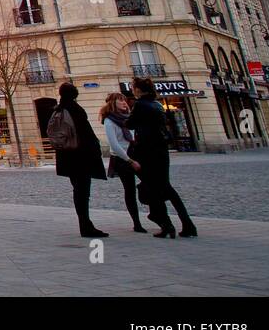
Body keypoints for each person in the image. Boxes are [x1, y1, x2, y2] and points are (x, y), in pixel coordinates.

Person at [129, 77, 197, 238]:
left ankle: (166, 223)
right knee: (166, 187)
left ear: (138, 89)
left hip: (147, 150)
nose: (132, 90)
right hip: (161, 150)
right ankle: (186, 223)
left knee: (154, 187)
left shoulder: (140, 104)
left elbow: (130, 124)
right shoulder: (157, 104)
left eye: (133, 87)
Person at [52, 82, 108, 238]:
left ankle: (85, 223)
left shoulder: (58, 109)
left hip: (66, 155)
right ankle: (85, 224)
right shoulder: (75, 110)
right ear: (75, 94)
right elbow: (86, 134)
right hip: (80, 156)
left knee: (78, 190)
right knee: (83, 191)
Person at [99, 92, 146, 233]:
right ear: (113, 103)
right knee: (130, 190)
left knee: (149, 184)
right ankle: (136, 222)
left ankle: (155, 214)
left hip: (135, 155)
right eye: (120, 101)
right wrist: (129, 160)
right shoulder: (109, 121)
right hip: (122, 159)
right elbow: (114, 145)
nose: (124, 103)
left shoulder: (129, 118)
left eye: (124, 100)